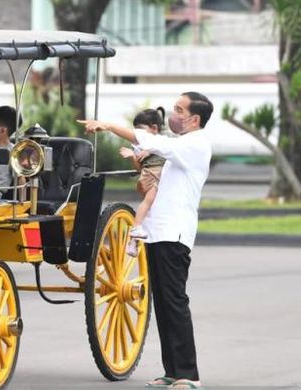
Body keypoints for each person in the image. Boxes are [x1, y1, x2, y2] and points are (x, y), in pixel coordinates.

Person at [78, 91, 214, 390]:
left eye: (179, 110)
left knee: (174, 303)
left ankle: (188, 375)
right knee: (163, 304)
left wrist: (108, 126)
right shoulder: (182, 144)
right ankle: (172, 371)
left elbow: (150, 142)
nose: (173, 115)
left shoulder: (195, 144)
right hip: (159, 230)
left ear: (194, 119)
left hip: (173, 233)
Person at [119, 107, 167, 257]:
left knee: (149, 212)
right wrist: (133, 156)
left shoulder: (162, 141)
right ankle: (135, 228)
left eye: (140, 129)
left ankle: (134, 241)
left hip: (157, 176)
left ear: (154, 128)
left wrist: (150, 149)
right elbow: (140, 168)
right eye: (136, 130)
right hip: (151, 176)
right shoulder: (140, 145)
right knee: (147, 203)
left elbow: (164, 148)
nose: (137, 133)